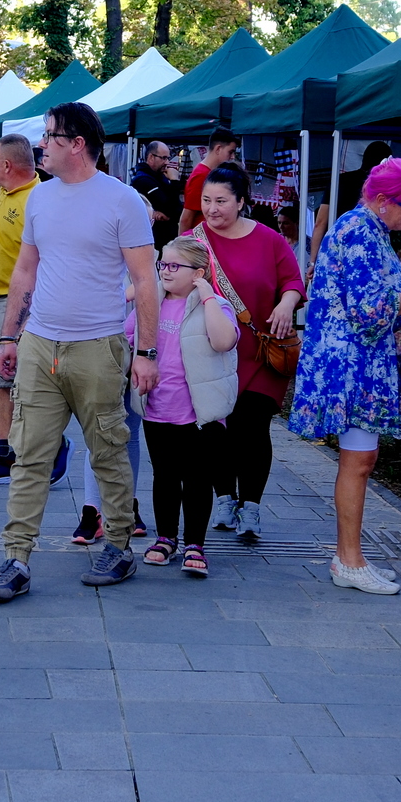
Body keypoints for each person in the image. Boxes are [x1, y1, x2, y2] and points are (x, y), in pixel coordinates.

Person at [0, 103, 158, 602]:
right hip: (40, 345)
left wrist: (146, 351)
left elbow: (145, 280)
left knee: (107, 451)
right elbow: (26, 270)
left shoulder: (122, 200)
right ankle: (16, 559)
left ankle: (119, 546)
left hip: (99, 347)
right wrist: (10, 336)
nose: (40, 144)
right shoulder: (40, 197)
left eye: (49, 136)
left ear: (76, 144)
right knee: (28, 455)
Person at [287, 157, 401, 595]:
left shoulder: (363, 228)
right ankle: (349, 560)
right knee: (358, 463)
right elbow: (369, 309)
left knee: (360, 461)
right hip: (352, 366)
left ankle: (350, 555)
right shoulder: (360, 230)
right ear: (381, 200)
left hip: (353, 362)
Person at [188, 164, 304, 543]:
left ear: (241, 202)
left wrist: (286, 304)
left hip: (262, 352)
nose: (212, 209)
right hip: (212, 354)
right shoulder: (193, 241)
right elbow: (170, 281)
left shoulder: (270, 240)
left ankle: (251, 505)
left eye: (221, 201)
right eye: (206, 200)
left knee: (252, 428)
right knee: (216, 428)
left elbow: (292, 281)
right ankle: (225, 497)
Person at [0, 135, 69, 486]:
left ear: (6, 165)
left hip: (13, 303)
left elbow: (44, 261)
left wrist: (25, 314)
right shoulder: (4, 193)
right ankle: (8, 452)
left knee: (12, 380)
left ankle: (46, 447)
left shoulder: (37, 200)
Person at [131, 238, 238, 577]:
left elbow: (224, 341)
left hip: (199, 415)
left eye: (174, 266)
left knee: (197, 479)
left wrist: (207, 295)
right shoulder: (152, 303)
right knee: (164, 476)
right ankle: (166, 538)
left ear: (198, 273)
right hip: (157, 408)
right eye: (162, 264)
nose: (165, 271)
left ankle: (195, 543)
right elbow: (126, 336)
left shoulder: (215, 305)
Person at [177, 127, 239, 233]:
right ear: (218, 149)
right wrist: (182, 243)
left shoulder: (207, 173)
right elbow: (186, 219)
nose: (232, 157)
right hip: (200, 239)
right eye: (230, 152)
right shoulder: (201, 175)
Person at [132, 142, 182, 250]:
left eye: (168, 158)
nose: (167, 162)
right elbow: (171, 208)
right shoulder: (143, 181)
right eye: (163, 158)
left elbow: (175, 210)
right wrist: (174, 181)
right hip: (154, 242)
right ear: (151, 157)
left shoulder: (160, 177)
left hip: (164, 241)